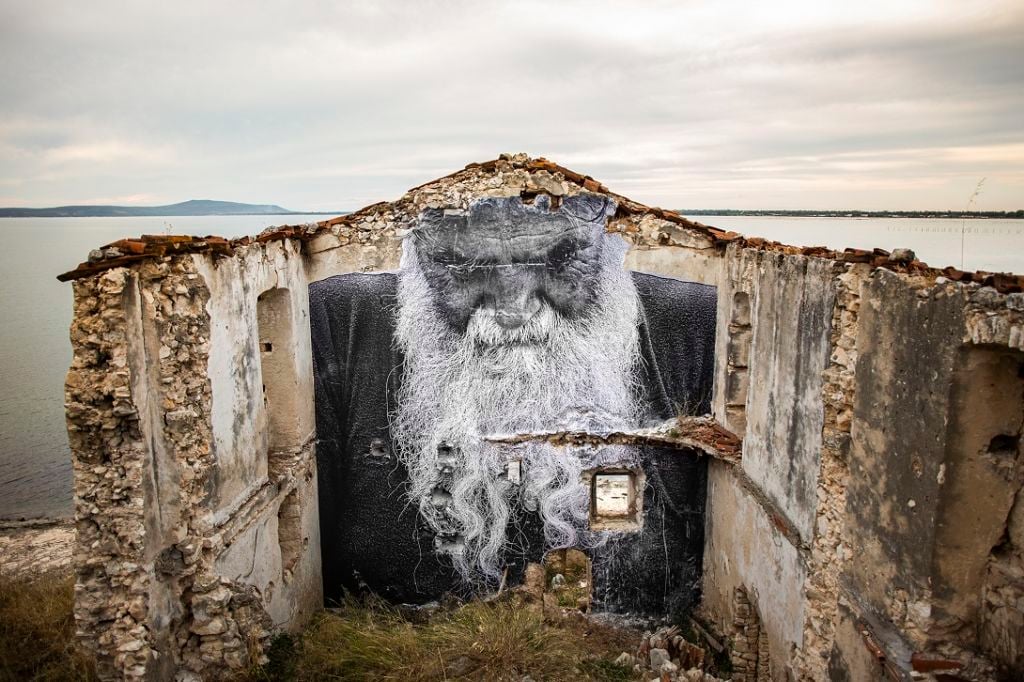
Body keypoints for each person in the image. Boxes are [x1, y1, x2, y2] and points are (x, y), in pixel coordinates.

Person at [311, 194, 716, 615]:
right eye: (461, 264)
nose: (513, 309)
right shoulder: (333, 323)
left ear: (607, 243)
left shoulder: (701, 330)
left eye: (562, 256)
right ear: (419, 255)